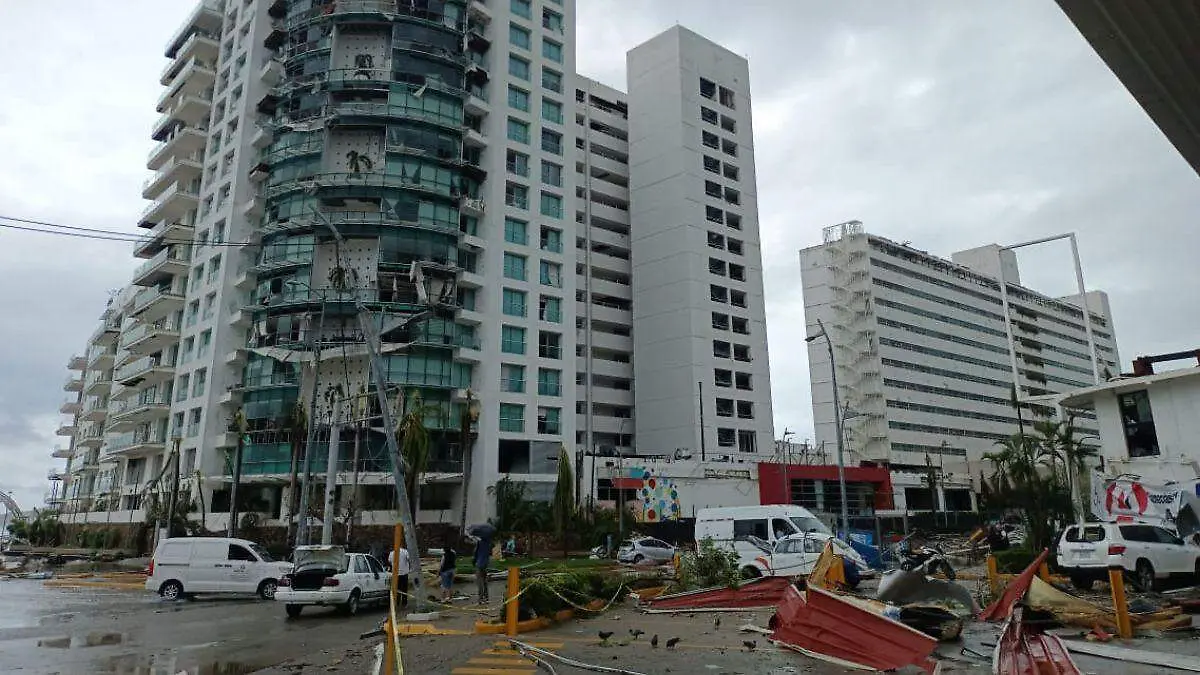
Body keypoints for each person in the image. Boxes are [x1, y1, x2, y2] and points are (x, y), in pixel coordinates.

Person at [438, 538, 457, 603]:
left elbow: (442, 564)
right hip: (452, 570)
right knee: (450, 585)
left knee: (444, 585)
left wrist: (438, 572)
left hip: (445, 571)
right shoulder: (453, 554)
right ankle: (449, 598)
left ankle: (443, 599)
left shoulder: (444, 555)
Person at [473, 534, 491, 604]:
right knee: (485, 582)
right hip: (485, 564)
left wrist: (474, 561)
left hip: (479, 564)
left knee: (480, 582)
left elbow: (475, 553)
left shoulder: (479, 543)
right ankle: (486, 598)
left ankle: (481, 598)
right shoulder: (488, 544)